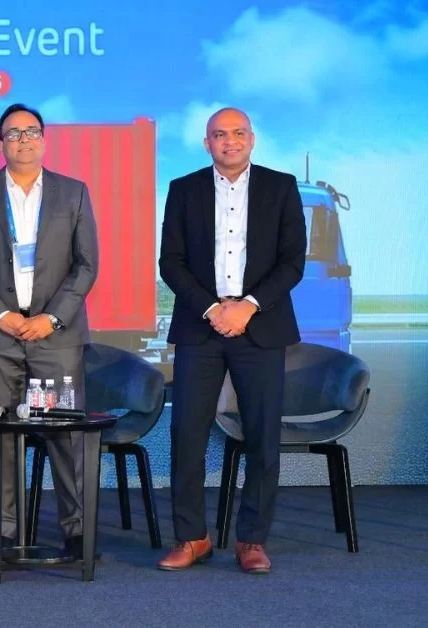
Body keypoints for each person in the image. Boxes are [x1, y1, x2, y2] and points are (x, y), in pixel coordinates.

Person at [157, 107, 306, 575]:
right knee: (187, 434)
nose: (230, 141)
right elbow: (171, 262)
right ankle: (192, 537)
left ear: (252, 139)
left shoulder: (281, 187)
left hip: (260, 326)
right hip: (201, 326)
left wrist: (248, 306)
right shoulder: (184, 189)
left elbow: (292, 262)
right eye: (219, 134)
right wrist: (213, 308)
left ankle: (252, 540)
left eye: (238, 133)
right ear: (207, 144)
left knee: (261, 435)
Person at [0, 103, 99, 561]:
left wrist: (51, 318)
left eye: (31, 131)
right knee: (0, 434)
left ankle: (77, 532)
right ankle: (3, 533)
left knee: (66, 436)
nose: (23, 139)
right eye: (13, 133)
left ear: (44, 139)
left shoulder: (73, 192)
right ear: (0, 143)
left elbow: (86, 265)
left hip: (55, 336)